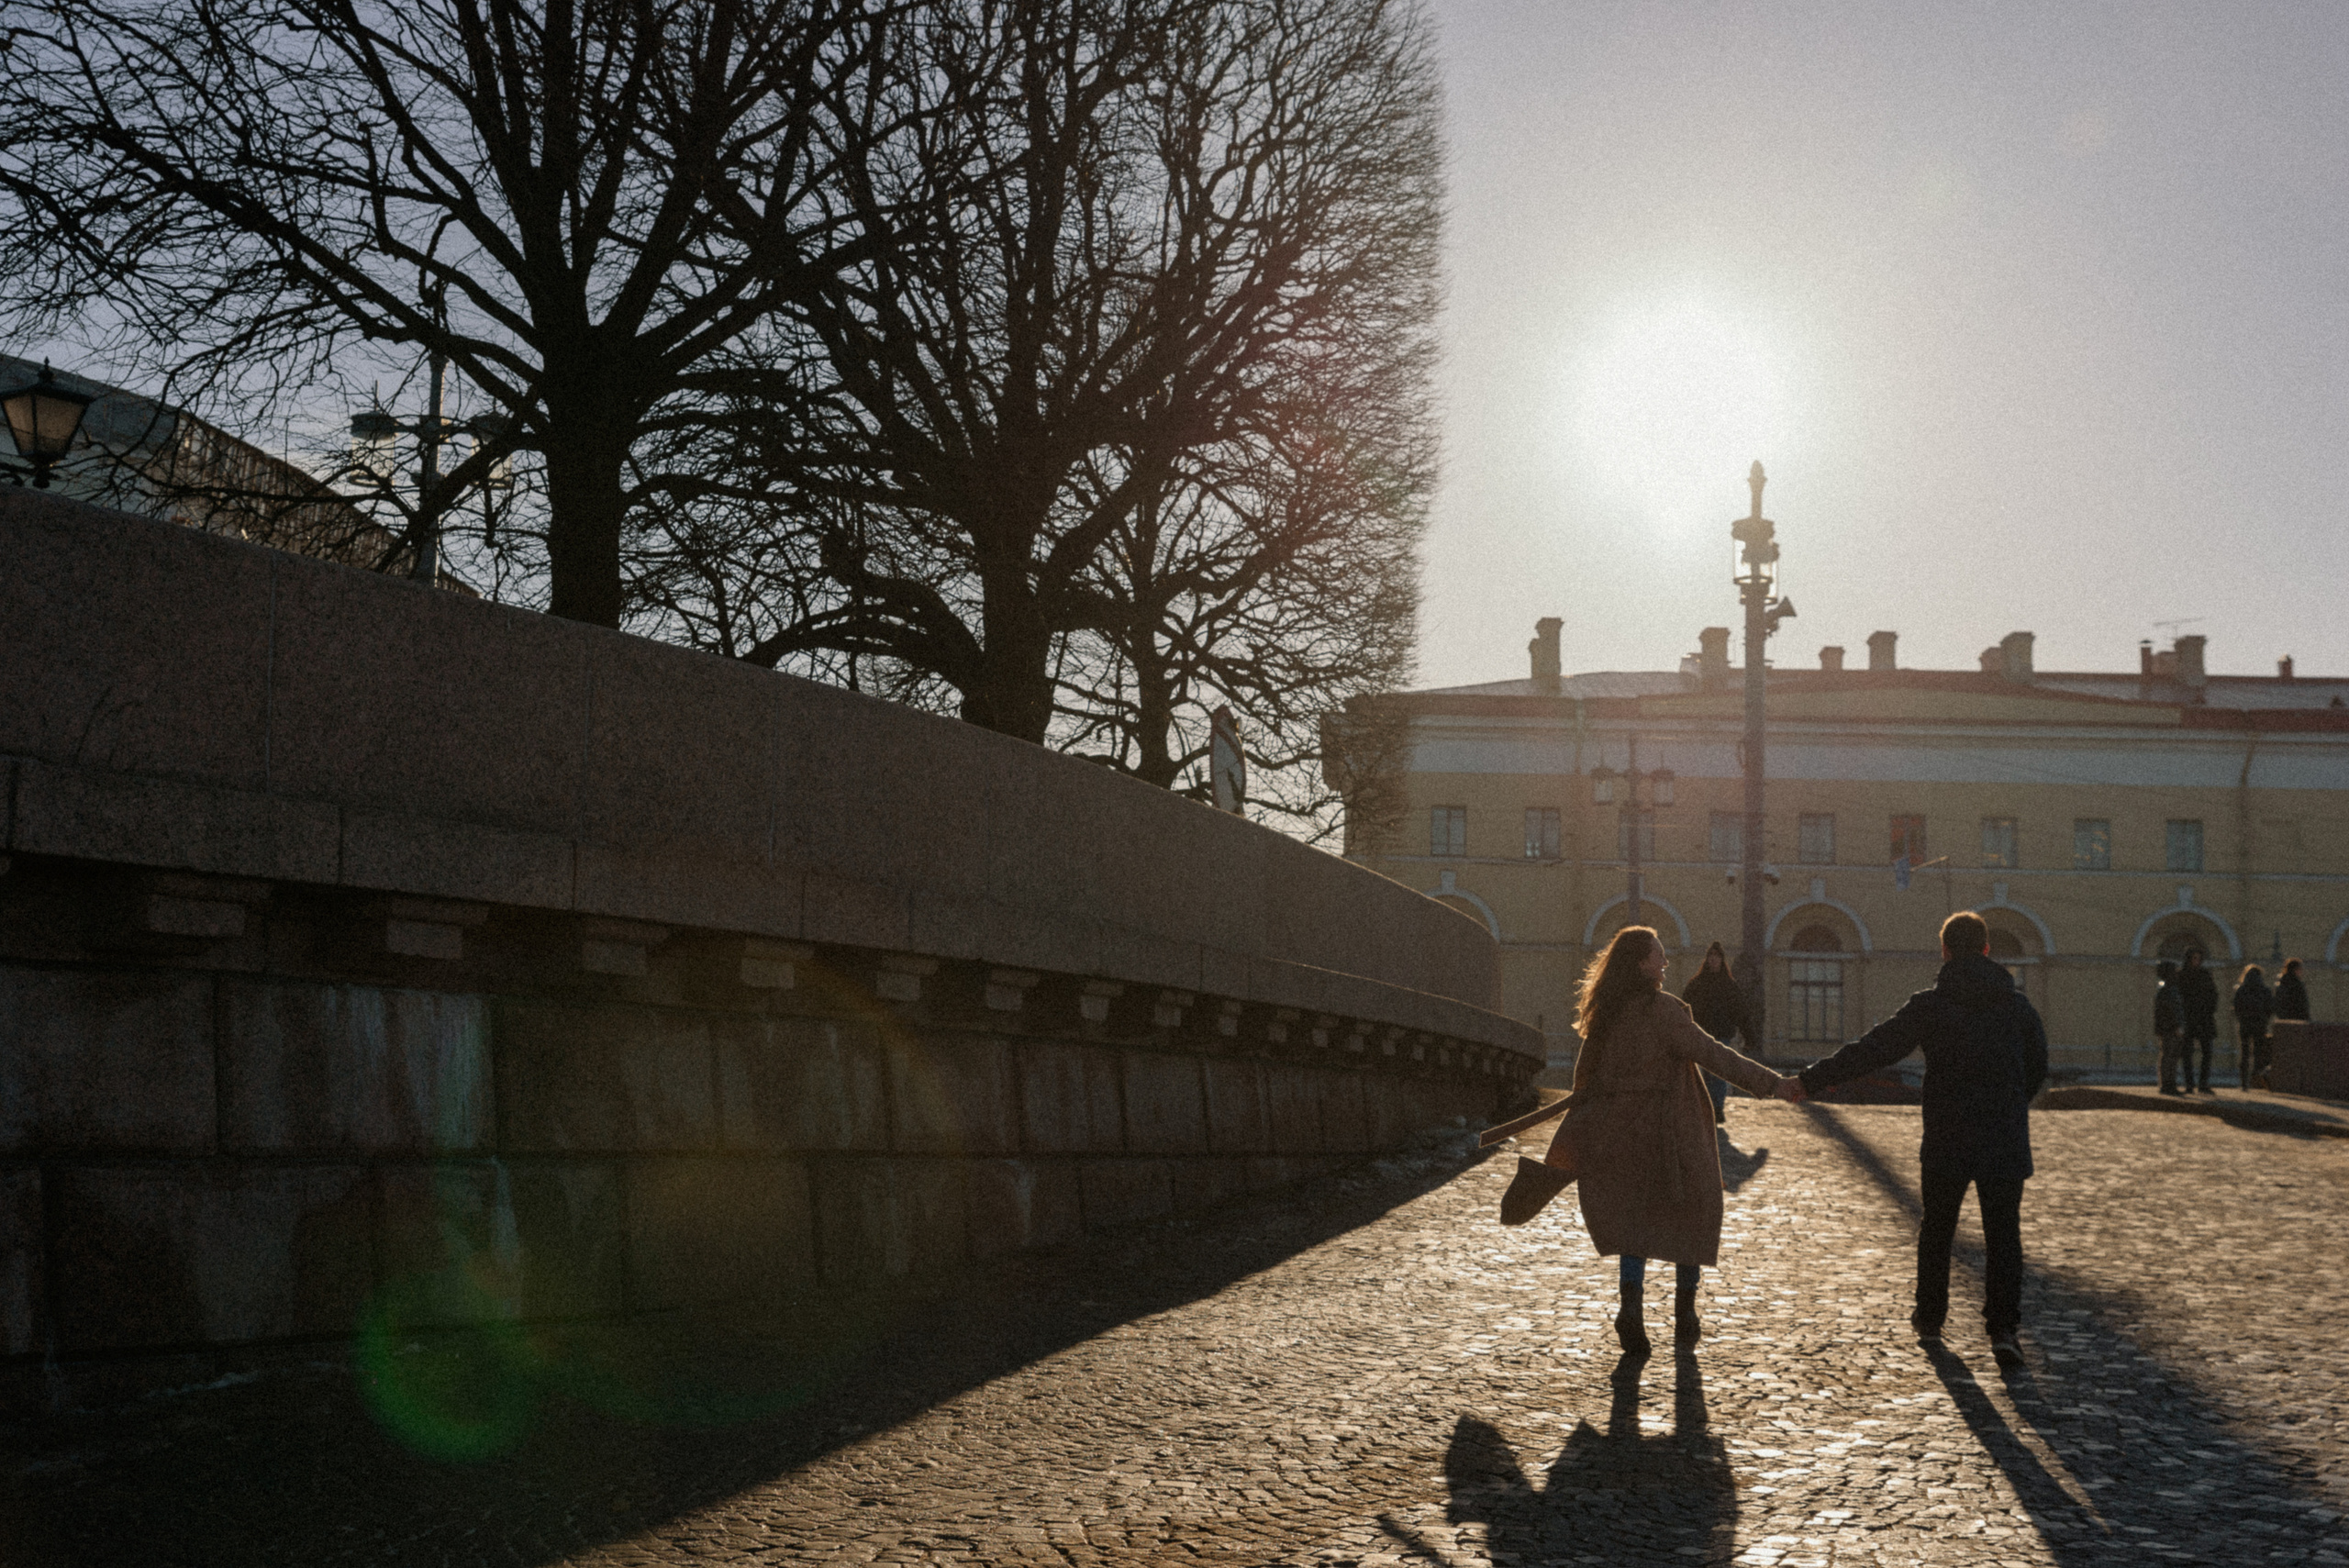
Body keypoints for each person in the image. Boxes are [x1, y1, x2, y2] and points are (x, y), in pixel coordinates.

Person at [1778, 911, 2047, 1367]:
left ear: (1944, 952)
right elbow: (2037, 1068)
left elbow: (1874, 1049)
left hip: (1948, 1132)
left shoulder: (1931, 1006)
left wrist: (1810, 1080)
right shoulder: (2018, 1007)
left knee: (1937, 1228)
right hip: (2003, 1134)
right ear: (1987, 950)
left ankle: (1930, 1317)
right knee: (2004, 1235)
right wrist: (2009, 1103)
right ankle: (2003, 1330)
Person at [1550, 926, 1788, 1357]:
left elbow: (1584, 1081)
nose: (1665, 962)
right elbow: (1715, 1054)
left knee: (1634, 1224)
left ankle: (1631, 1307)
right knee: (1693, 1213)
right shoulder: (1664, 1011)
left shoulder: (1606, 1014)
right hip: (1672, 1134)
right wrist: (1773, 1083)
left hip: (1622, 1135)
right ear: (1641, 963)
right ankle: (1686, 1312)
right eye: (1658, 955)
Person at [1680, 941, 1753, 1125]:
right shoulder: (1696, 984)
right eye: (1711, 956)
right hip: (1701, 1035)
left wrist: (1749, 1036)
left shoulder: (1729, 986)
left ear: (1721, 960)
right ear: (1707, 959)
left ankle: (1717, 1108)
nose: (1713, 960)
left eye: (1716, 956)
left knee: (1717, 1073)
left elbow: (1741, 1012)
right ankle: (1708, 1108)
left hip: (1721, 1036)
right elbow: (1684, 1008)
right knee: (1704, 1074)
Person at [2177, 948, 2219, 1095]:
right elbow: (2179, 998)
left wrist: (2209, 1009)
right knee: (2187, 1054)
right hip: (2188, 1019)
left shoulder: (2205, 975)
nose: (2196, 961)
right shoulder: (2181, 975)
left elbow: (2214, 994)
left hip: (2204, 1019)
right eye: (2194, 958)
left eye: (2198, 958)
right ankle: (2189, 1084)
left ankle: (2203, 1084)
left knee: (2207, 1053)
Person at [2232, 963, 2276, 1091]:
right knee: (2258, 1053)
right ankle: (2256, 1080)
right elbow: (2270, 1008)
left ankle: (2244, 1082)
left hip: (2245, 1025)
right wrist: (2264, 1019)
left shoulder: (2241, 990)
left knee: (2245, 1053)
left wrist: (2242, 1019)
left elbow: (2236, 1007)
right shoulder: (2265, 990)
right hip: (2260, 1025)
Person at [2154, 960, 2186, 1095]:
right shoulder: (2169, 991)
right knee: (2169, 1057)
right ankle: (2168, 1084)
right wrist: (2178, 1026)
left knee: (2170, 1057)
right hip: (2170, 1029)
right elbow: (2172, 1011)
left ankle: (2169, 1084)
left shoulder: (2167, 991)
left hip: (2168, 1028)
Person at [2275, 957, 2310, 1025]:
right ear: (2295, 970)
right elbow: (2302, 1005)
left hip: (2283, 1021)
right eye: (2300, 969)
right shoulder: (2297, 985)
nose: (2301, 972)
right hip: (2297, 1021)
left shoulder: (2281, 984)